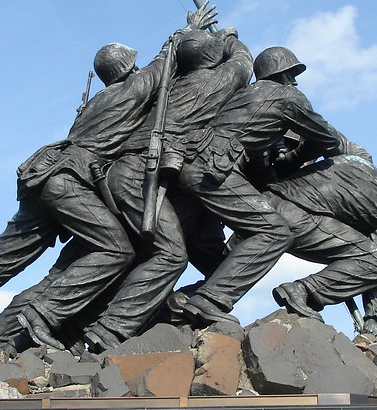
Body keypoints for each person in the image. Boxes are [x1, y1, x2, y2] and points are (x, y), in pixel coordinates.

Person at [0, 7, 218, 368]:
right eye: (134, 64)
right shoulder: (130, 91)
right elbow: (164, 64)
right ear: (127, 67)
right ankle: (42, 314)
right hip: (68, 182)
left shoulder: (95, 103)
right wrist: (186, 31)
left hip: (43, 178)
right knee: (116, 250)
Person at [80, 26, 253, 351]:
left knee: (203, 261)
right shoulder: (215, 81)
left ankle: (171, 310)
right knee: (171, 255)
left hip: (152, 178)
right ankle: (109, 330)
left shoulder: (165, 89)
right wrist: (231, 38)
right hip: (140, 173)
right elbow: (243, 63)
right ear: (213, 58)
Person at [166, 46, 353, 327]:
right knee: (274, 232)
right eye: (292, 74)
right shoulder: (289, 97)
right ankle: (210, 301)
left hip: (188, 164)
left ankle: (166, 310)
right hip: (213, 167)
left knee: (182, 250)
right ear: (280, 74)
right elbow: (328, 140)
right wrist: (296, 157)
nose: (295, 81)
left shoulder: (245, 95)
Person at [265, 152, 377, 342]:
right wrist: (373, 318)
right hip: (295, 219)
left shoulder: (355, 162)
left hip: (263, 202)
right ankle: (302, 291)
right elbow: (375, 264)